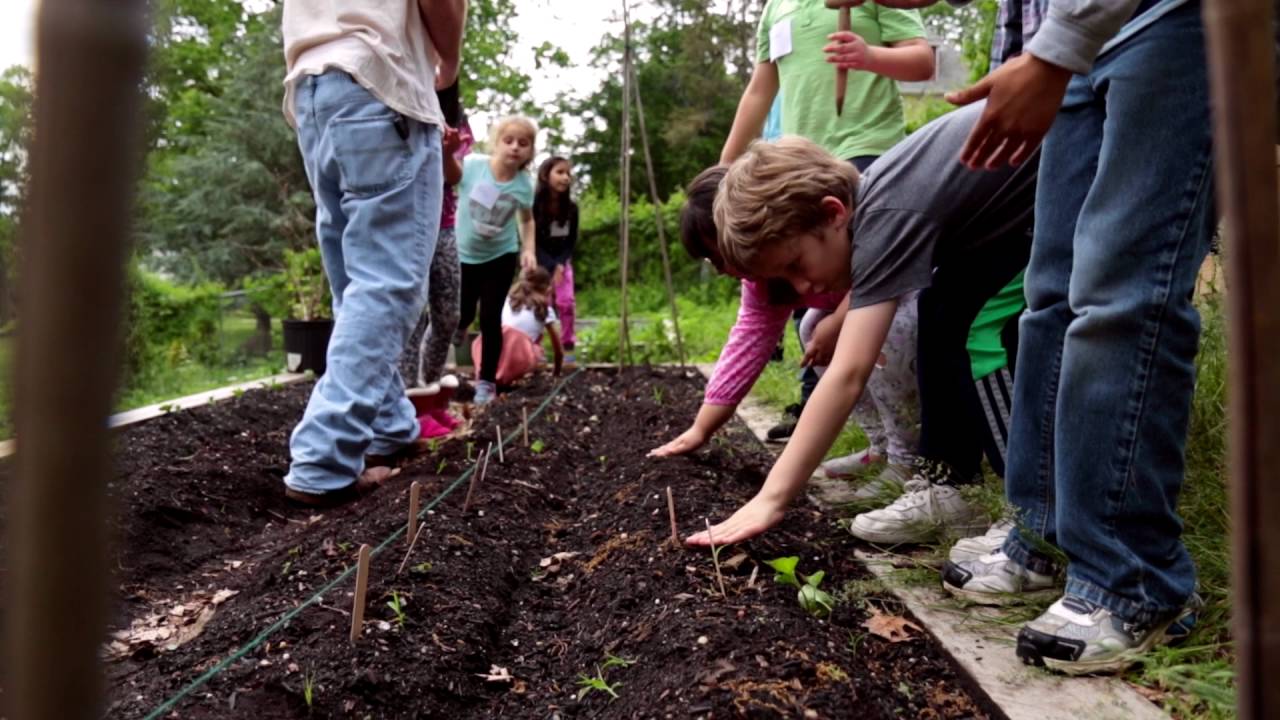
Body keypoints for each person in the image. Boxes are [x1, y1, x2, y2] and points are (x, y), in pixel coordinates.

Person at [916, 0, 1212, 674]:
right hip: (1075, 42)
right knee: (1048, 297)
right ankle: (1043, 536)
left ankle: (1134, 579)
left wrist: (1055, 48)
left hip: (1173, 16)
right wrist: (1030, 60)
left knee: (1124, 294)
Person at [685, 101, 1035, 552]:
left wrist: (771, 498)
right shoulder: (875, 203)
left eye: (796, 265)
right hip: (1010, 218)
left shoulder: (885, 219)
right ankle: (950, 485)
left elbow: (849, 374)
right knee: (941, 311)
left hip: (1059, 196)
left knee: (979, 332)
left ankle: (1031, 516)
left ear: (833, 213)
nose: (804, 285)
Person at [722, 0, 935, 444]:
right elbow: (760, 90)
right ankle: (874, 441)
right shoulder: (775, 8)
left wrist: (868, 56)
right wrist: (725, 171)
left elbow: (922, 61)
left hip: (866, 152)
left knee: (876, 303)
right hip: (803, 160)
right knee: (815, 309)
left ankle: (914, 450)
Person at [279, 0, 465, 507]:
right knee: (388, 284)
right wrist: (448, 60)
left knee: (354, 286)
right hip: (378, 80)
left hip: (313, 88)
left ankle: (389, 424)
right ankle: (323, 458)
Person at [650, 166, 921, 510]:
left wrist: (837, 323)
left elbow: (881, 269)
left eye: (719, 255)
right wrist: (701, 429)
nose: (720, 269)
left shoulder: (839, 226)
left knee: (881, 337)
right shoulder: (761, 281)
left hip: (904, 296)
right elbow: (747, 345)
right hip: (863, 307)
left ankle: (906, 456)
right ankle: (879, 445)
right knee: (810, 327)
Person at [400, 80, 472, 439]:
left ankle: (432, 397)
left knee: (448, 314)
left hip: (442, 225)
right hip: (406, 223)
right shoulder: (398, 102)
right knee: (413, 316)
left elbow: (456, 175)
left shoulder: (455, 118)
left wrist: (445, 153)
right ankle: (410, 408)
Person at [454, 116, 537, 405]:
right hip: (463, 254)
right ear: (497, 143)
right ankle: (459, 327)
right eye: (509, 140)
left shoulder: (524, 185)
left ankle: (486, 382)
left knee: (490, 319)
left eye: (523, 144)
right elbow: (449, 181)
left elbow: (527, 221)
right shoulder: (473, 165)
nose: (515, 148)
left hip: (500, 256)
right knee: (462, 312)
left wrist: (529, 249)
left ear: (529, 151)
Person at [470, 267, 564, 385]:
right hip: (519, 357)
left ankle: (489, 377)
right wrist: (556, 373)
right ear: (547, 289)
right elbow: (558, 350)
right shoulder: (545, 309)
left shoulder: (506, 300)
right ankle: (513, 377)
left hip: (490, 354)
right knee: (538, 350)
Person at [532, 156, 579, 361]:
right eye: (560, 172)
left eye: (568, 173)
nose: (565, 177)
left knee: (566, 302)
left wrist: (560, 264)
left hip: (562, 262)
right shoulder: (534, 207)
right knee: (540, 305)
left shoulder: (572, 209)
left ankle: (568, 345)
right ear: (545, 175)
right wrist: (550, 267)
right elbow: (532, 241)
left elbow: (570, 241)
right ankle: (535, 348)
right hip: (539, 263)